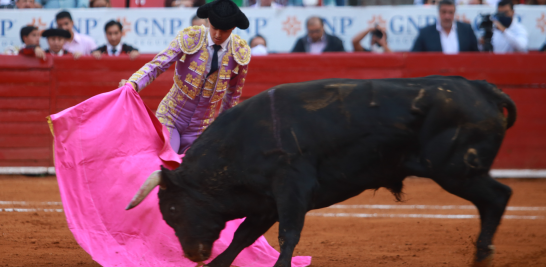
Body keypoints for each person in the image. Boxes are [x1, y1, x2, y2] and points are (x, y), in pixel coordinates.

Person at [47, 0, 312, 266]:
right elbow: (158, 64)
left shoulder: (240, 52)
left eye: (225, 29)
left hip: (203, 129)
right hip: (172, 119)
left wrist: (225, 133)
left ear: (233, 28)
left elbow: (233, 97)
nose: (218, 34)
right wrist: (133, 84)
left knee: (202, 187)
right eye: (215, 27)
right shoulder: (191, 38)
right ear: (208, 22)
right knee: (161, 170)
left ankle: (191, 241)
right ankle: (143, 239)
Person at [411, 0, 478, 53]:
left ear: (454, 13)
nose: (447, 16)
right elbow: (414, 56)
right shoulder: (425, 32)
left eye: (450, 12)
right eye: (444, 12)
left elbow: (476, 55)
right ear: (439, 12)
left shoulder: (467, 30)